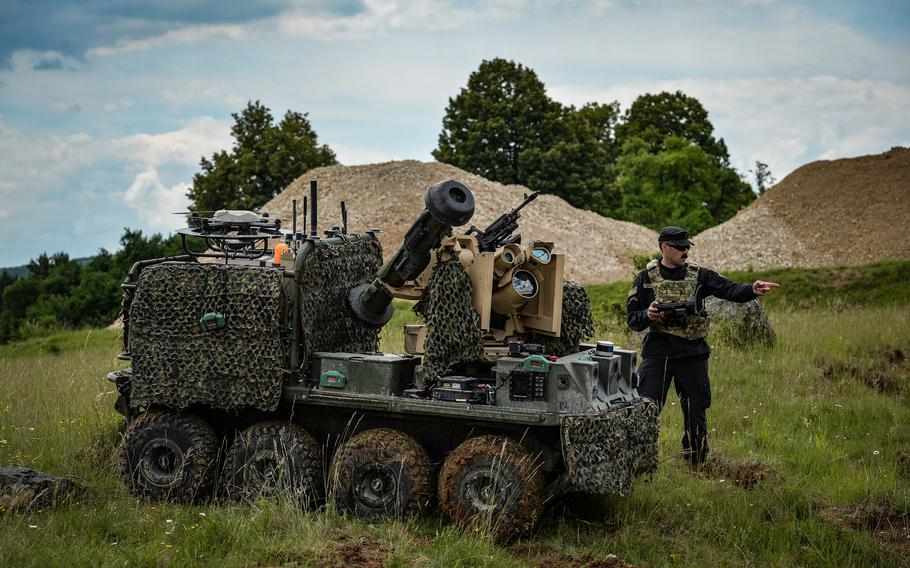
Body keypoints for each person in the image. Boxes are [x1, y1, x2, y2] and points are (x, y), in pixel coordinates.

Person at [627, 226, 779, 465]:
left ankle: (696, 464)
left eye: (688, 246)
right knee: (645, 410)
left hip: (692, 354)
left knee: (696, 412)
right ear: (665, 247)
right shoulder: (645, 278)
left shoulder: (700, 275)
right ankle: (641, 462)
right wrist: (648, 315)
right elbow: (633, 320)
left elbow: (730, 289)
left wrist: (751, 289)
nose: (686, 250)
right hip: (658, 354)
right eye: (680, 247)